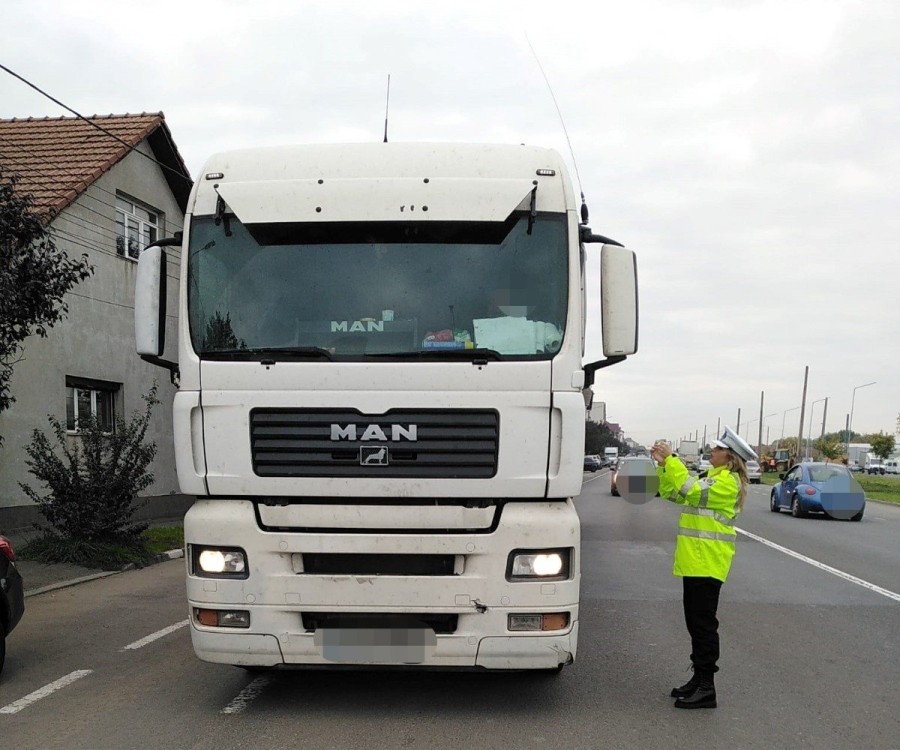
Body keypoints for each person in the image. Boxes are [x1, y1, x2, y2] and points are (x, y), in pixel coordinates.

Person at [650, 426, 755, 710]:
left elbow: (690, 489)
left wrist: (672, 458)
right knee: (695, 624)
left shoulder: (728, 483)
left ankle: (707, 687)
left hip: (708, 562)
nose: (711, 451)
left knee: (704, 625)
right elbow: (673, 494)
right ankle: (698, 679)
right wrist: (663, 466)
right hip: (695, 560)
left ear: (730, 456)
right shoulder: (711, 477)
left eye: (717, 448)